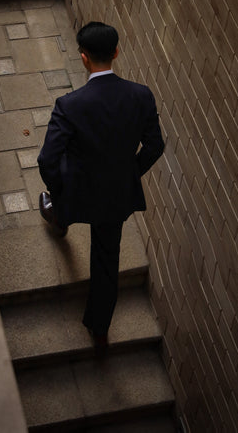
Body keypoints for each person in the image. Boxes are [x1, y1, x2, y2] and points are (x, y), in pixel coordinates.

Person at [37, 21, 165, 351]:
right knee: (107, 258)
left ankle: (59, 213)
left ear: (83, 58)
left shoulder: (69, 105)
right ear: (116, 52)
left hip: (80, 191)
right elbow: (154, 146)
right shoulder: (141, 95)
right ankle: (98, 327)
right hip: (115, 196)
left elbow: (47, 160)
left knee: (63, 184)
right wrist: (128, 174)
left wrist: (59, 188)